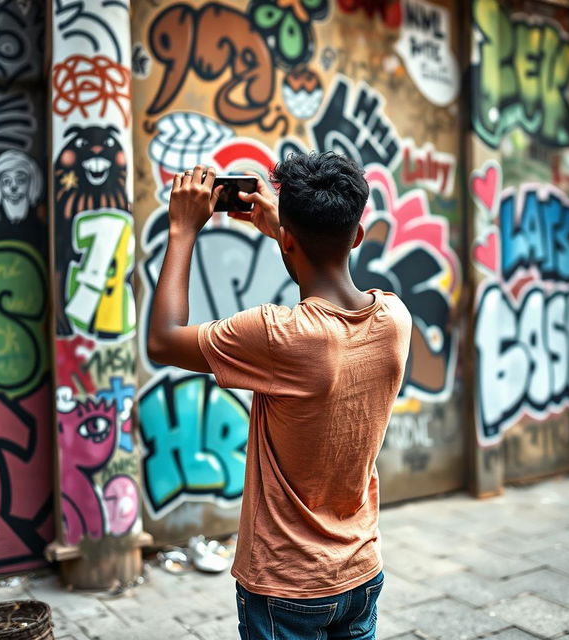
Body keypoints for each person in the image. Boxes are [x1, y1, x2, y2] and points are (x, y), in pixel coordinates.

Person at [147, 151, 412, 639]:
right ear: (356, 235)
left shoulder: (280, 335)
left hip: (287, 587)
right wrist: (286, 232)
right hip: (360, 570)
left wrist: (183, 230)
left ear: (287, 239)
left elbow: (163, 340)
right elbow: (325, 272)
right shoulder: (395, 320)